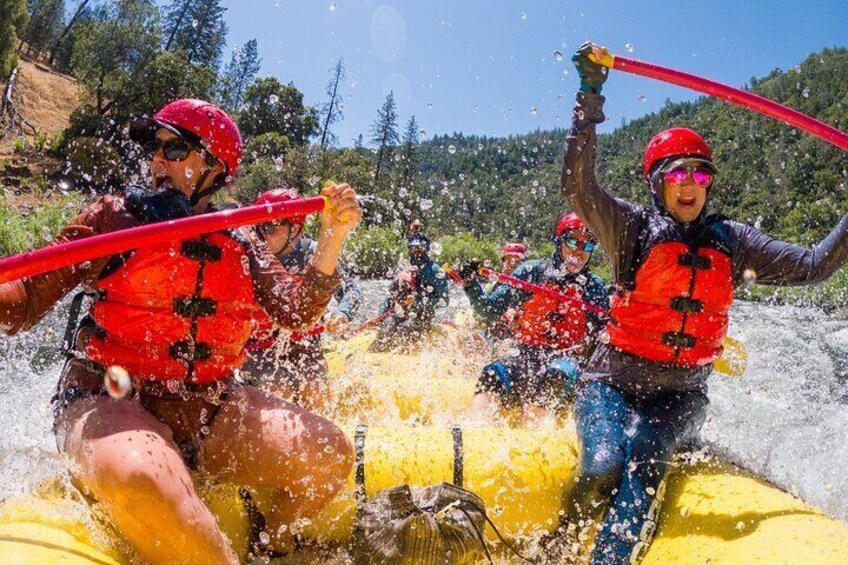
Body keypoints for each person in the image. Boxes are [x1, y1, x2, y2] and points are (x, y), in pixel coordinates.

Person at [0, 99, 361, 564]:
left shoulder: (242, 238)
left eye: (175, 149)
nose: (156, 161)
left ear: (215, 167)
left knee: (329, 453)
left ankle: (271, 548)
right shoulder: (115, 217)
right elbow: (25, 299)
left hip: (208, 406)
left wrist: (332, 237)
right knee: (142, 480)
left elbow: (296, 310)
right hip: (111, 399)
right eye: (155, 149)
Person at [546, 41, 848, 564]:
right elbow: (578, 186)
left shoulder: (734, 240)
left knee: (641, 461)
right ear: (658, 183)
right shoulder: (630, 229)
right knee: (601, 467)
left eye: (700, 175)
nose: (691, 185)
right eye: (679, 174)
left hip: (681, 396)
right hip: (611, 382)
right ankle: (556, 539)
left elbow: (812, 266)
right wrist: (590, 96)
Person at [459, 213, 608, 417]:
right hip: (526, 352)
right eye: (573, 240)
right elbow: (489, 308)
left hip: (567, 359)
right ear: (559, 241)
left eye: (588, 245)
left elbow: (605, 336)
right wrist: (470, 284)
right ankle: (472, 428)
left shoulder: (594, 288)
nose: (579, 251)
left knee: (556, 375)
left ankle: (532, 437)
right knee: (492, 374)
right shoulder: (532, 272)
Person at [243, 188, 362, 410]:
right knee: (279, 391)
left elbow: (351, 291)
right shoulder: (250, 254)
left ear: (295, 229)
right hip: (260, 350)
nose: (260, 236)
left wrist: (341, 314)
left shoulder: (316, 253)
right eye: (257, 227)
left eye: (269, 227)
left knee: (316, 395)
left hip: (305, 347)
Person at [369, 230, 449, 352]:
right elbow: (390, 296)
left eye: (420, 248)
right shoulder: (402, 268)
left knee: (406, 327)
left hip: (422, 316)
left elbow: (444, 300)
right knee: (387, 325)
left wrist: (418, 303)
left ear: (426, 249)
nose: (417, 252)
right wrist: (380, 316)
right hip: (400, 312)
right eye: (413, 249)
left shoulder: (435, 270)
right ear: (409, 250)